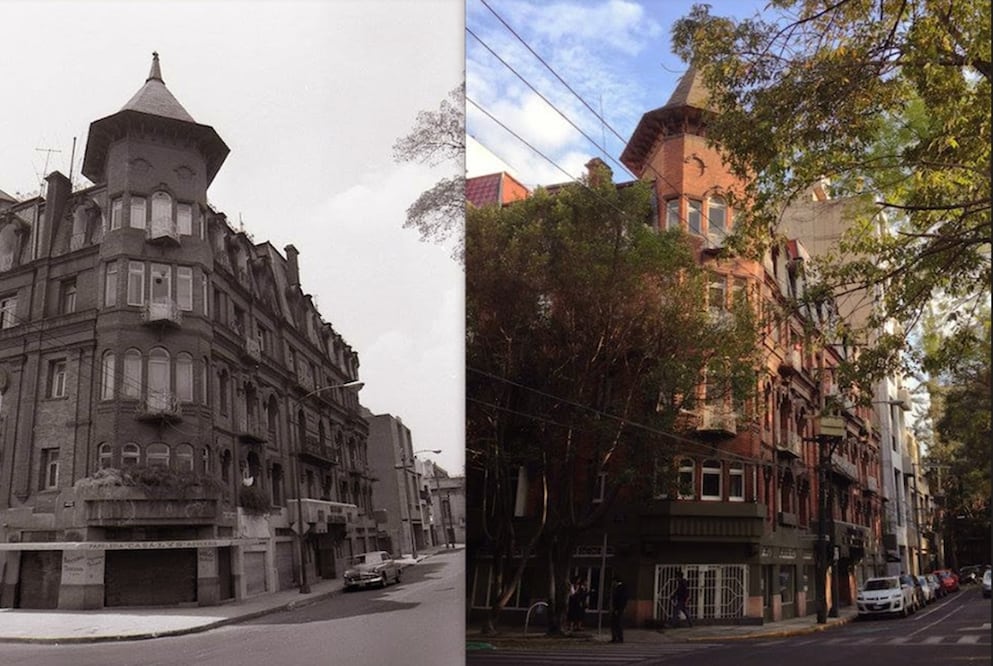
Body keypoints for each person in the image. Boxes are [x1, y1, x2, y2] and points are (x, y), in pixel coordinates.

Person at [610, 576, 628, 643]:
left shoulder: (621, 588)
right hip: (617, 608)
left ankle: (618, 638)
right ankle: (615, 638)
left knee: (617, 623)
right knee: (615, 623)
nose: (612, 584)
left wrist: (618, 609)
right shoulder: (620, 588)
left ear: (615, 581)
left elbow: (621, 600)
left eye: (613, 582)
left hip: (618, 609)